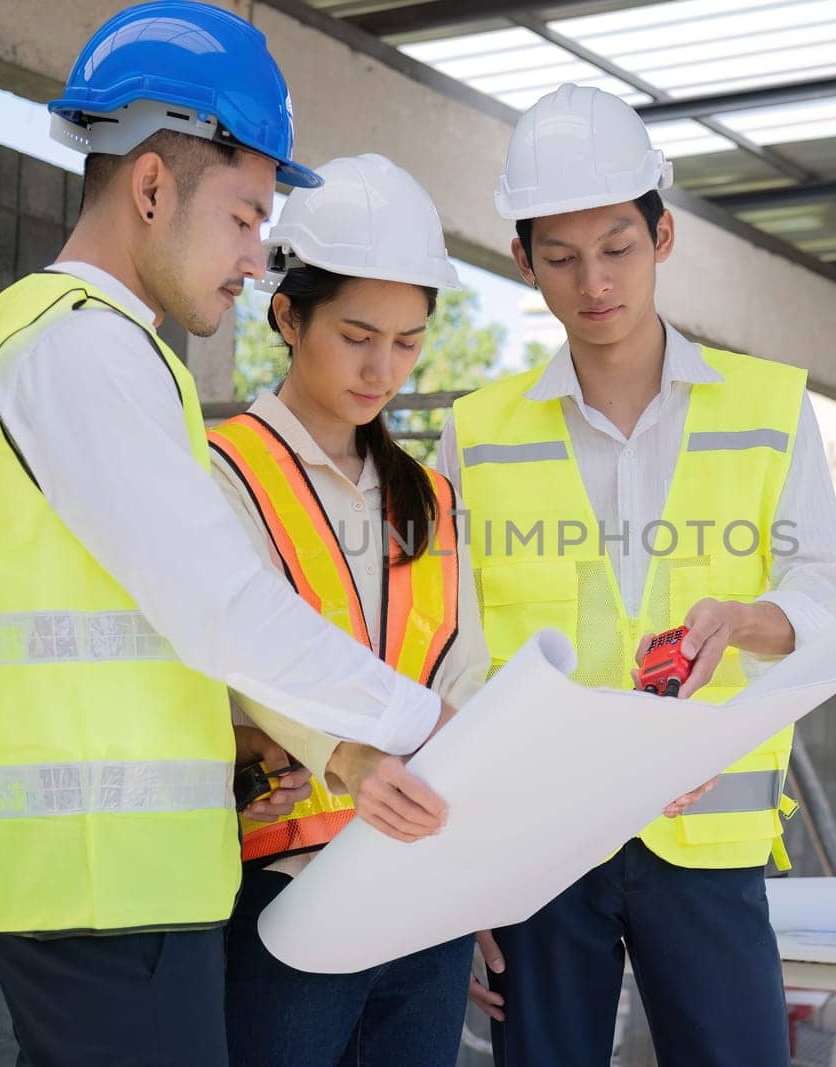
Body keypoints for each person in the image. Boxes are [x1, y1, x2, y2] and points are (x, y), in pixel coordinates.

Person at [0, 6, 450, 1065]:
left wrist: (335, 744)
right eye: (242, 216)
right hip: (100, 881)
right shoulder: (82, 351)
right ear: (149, 187)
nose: (254, 256)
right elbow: (217, 602)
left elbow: (161, 619)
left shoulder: (99, 352)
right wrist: (416, 724)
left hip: (116, 877)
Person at [439, 84, 836, 1066]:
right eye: (563, 256)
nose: (595, 282)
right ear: (522, 260)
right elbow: (453, 655)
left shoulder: (768, 405)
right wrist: (461, 874)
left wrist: (749, 620)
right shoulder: (476, 431)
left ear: (663, 237)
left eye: (618, 248)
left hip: (705, 844)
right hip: (539, 842)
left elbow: (828, 606)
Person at [210, 154, 488, 1066]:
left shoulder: (433, 501)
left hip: (424, 900)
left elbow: (466, 687)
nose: (384, 369)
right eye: (359, 335)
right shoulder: (222, 471)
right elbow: (228, 664)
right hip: (283, 892)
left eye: (407, 342)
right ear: (289, 315)